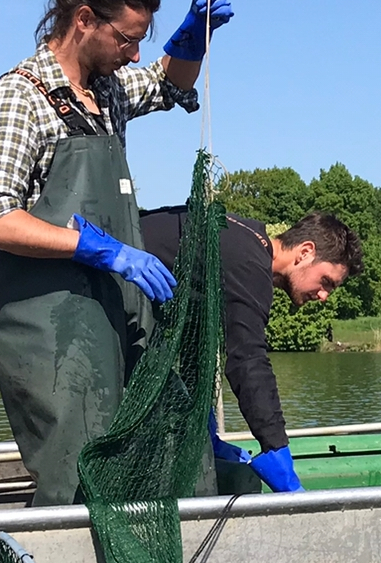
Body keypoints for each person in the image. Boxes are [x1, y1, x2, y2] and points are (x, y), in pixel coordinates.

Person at [0, 0, 232, 505]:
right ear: (84, 19)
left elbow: (165, 84)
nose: (134, 53)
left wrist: (192, 38)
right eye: (127, 38)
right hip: (52, 337)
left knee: (144, 453)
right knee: (76, 475)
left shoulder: (105, 91)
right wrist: (97, 249)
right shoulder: (19, 98)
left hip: (113, 319)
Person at [138, 209, 364, 492]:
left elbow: (195, 343)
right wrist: (275, 445)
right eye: (327, 281)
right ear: (306, 252)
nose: (324, 296)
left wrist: (206, 434)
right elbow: (247, 360)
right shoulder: (250, 264)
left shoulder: (243, 238)